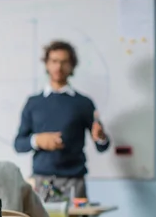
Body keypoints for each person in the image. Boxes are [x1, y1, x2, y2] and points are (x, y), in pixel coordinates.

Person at [14, 40, 110, 198]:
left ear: (72, 66)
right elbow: (18, 144)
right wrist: (38, 140)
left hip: (74, 182)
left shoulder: (83, 103)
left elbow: (102, 146)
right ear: (46, 64)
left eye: (64, 62)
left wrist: (101, 138)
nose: (58, 67)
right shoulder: (33, 102)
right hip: (41, 181)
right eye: (54, 61)